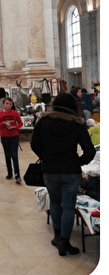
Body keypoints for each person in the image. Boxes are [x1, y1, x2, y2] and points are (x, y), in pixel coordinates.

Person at [30, 92, 96, 256]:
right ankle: (65, 242)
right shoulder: (78, 123)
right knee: (68, 206)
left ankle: (57, 237)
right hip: (70, 170)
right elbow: (90, 151)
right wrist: (79, 161)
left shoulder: (44, 120)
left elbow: (34, 144)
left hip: (50, 169)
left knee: (55, 202)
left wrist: (45, 157)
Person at [0, 97, 23, 183]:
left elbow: (20, 124)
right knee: (7, 156)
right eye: (7, 103)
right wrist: (3, 123)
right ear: (3, 104)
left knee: (14, 155)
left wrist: (15, 127)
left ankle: (17, 175)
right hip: (4, 137)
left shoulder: (15, 113)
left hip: (14, 136)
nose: (9, 105)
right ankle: (9, 173)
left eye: (10, 104)